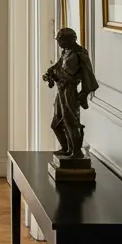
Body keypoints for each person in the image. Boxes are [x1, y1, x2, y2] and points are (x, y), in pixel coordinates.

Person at [42, 27, 98, 159]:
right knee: (56, 123)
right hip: (61, 89)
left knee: (71, 122)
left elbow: (88, 75)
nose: (60, 43)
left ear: (71, 39)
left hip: (70, 91)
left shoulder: (80, 53)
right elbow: (58, 65)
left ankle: (76, 152)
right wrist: (50, 72)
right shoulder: (66, 51)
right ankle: (66, 147)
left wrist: (84, 93)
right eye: (59, 41)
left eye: (62, 40)